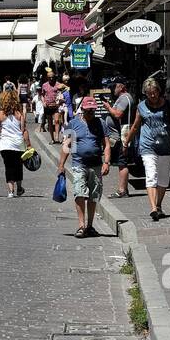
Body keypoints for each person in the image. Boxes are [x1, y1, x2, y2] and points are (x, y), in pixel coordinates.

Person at [123, 78, 170, 221]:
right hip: (148, 146)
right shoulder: (141, 107)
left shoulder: (168, 106)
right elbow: (135, 126)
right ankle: (153, 208)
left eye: (155, 92)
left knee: (163, 179)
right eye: (149, 93)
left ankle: (158, 205)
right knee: (151, 175)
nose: (152, 96)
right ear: (146, 93)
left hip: (166, 146)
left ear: (159, 91)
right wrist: (126, 142)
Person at [58, 94, 110, 237]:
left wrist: (106, 162)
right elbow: (66, 145)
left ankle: (90, 225)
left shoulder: (101, 123)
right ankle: (81, 226)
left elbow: (106, 145)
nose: (91, 113)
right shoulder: (73, 123)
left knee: (94, 196)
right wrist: (61, 165)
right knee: (79, 193)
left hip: (96, 165)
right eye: (88, 110)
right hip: (79, 163)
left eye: (93, 110)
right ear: (83, 110)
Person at [99, 77, 135, 199]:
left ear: (121, 86)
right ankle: (124, 188)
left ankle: (122, 191)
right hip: (119, 136)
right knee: (121, 162)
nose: (112, 88)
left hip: (123, 136)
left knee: (122, 163)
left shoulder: (125, 98)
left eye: (114, 86)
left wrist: (108, 107)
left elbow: (118, 114)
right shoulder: (122, 98)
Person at [0, 88, 31, 197]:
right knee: (18, 165)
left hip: (5, 144)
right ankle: (19, 188)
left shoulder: (0, 114)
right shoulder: (19, 114)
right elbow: (23, 130)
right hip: (18, 143)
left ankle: (10, 191)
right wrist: (28, 145)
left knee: (8, 166)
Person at [40, 69, 60, 141]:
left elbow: (61, 94)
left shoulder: (58, 84)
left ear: (54, 77)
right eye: (49, 77)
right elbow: (42, 95)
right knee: (50, 122)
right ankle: (52, 138)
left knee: (57, 121)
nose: (51, 79)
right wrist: (43, 102)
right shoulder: (44, 85)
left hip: (56, 106)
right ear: (47, 78)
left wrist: (59, 100)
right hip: (48, 106)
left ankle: (57, 137)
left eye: (52, 77)